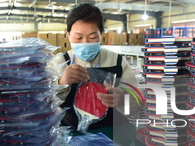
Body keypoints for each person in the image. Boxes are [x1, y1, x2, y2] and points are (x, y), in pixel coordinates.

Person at [52, 2, 141, 131]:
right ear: (68, 35)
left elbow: (137, 100)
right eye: (78, 37)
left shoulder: (117, 61)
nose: (85, 43)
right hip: (71, 134)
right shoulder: (59, 62)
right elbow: (45, 105)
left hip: (112, 133)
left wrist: (123, 99)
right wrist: (62, 83)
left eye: (93, 37)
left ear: (101, 34)